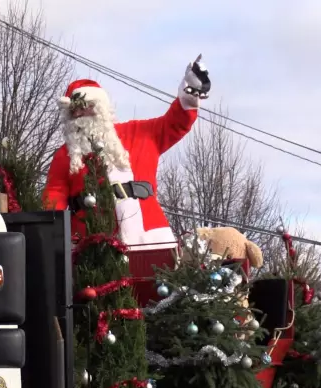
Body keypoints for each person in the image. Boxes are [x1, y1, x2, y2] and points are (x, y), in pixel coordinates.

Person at [42, 57, 211, 250]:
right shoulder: (64, 156)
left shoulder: (139, 133)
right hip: (92, 246)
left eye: (87, 106)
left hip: (150, 238)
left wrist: (191, 92)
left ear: (101, 108)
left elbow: (175, 123)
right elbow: (52, 201)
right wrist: (52, 238)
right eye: (75, 110)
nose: (80, 114)